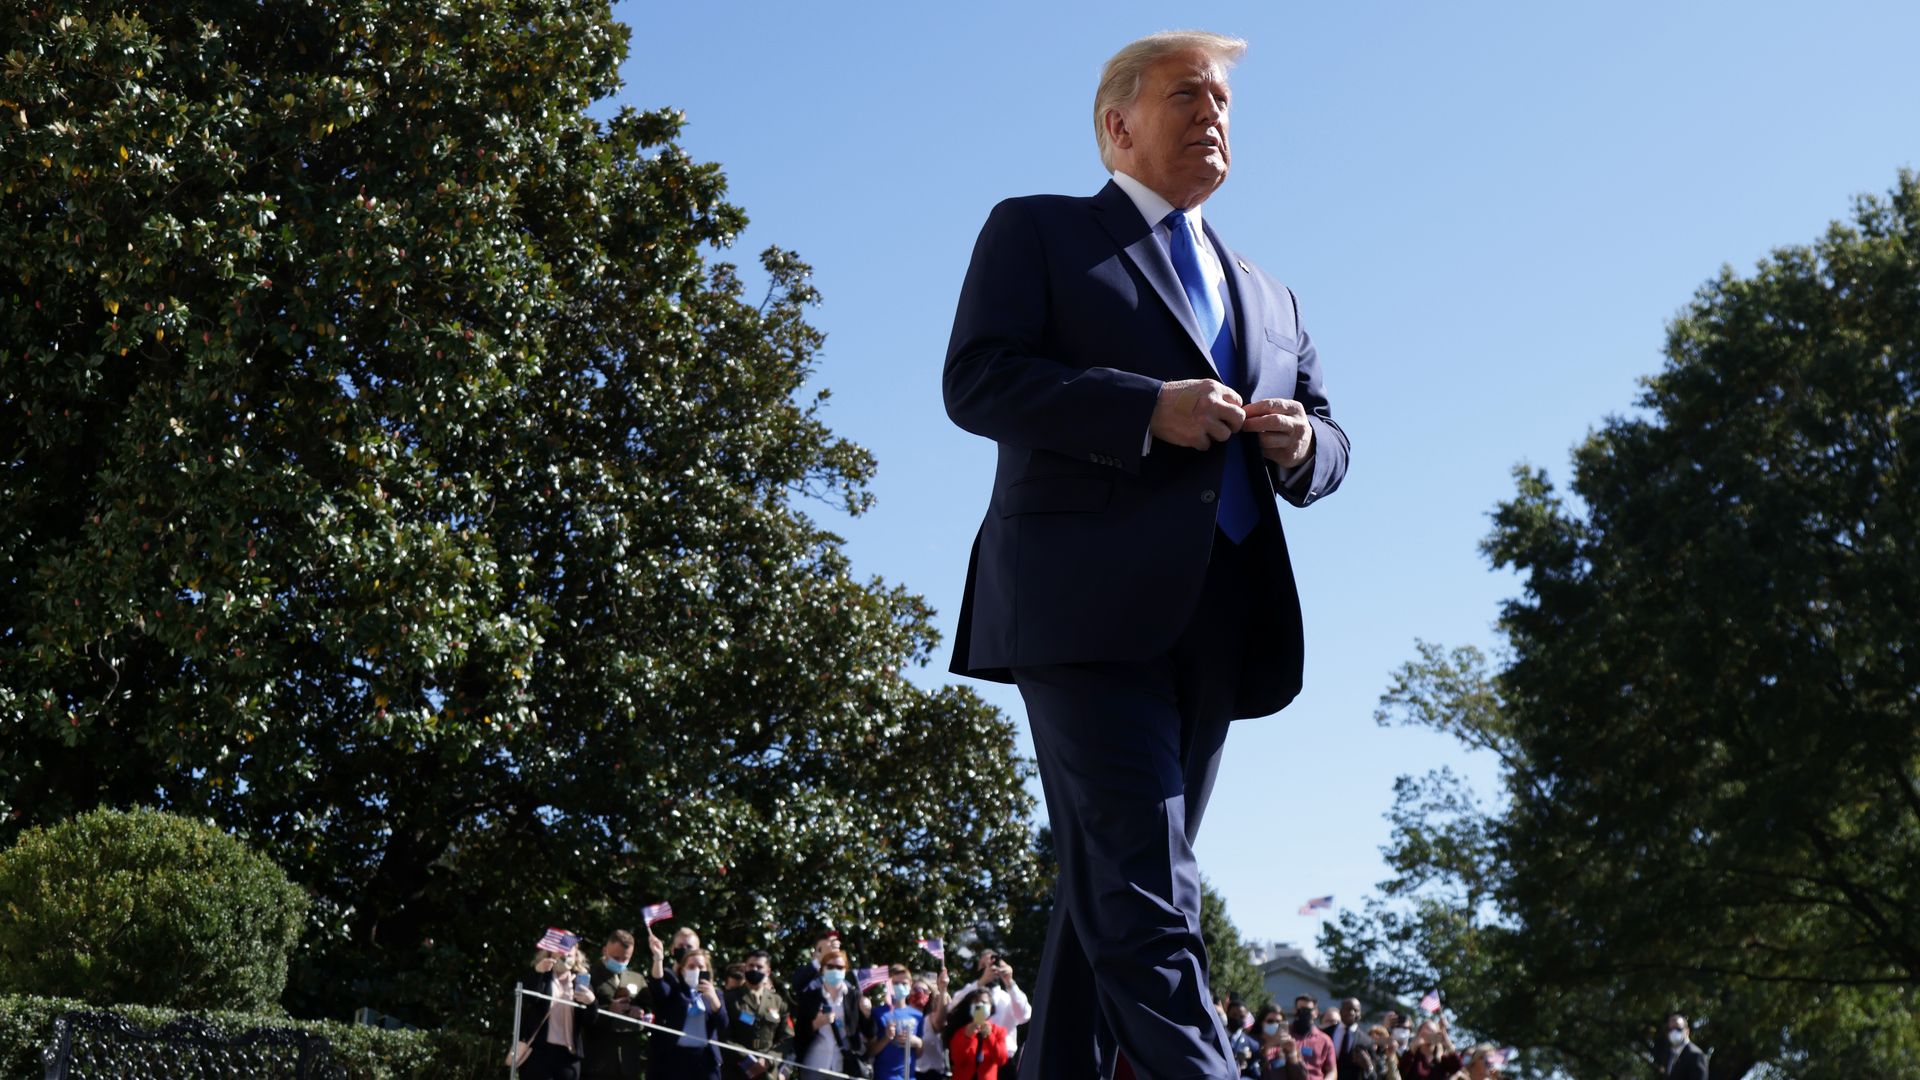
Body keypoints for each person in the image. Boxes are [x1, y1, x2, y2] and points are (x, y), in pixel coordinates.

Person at [942, 27, 1349, 1080]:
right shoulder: (1038, 231)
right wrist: (1142, 407)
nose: (1214, 114)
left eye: (1223, 101)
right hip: (1078, 608)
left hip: (1221, 618)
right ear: (1118, 126)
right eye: (1187, 95)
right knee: (1147, 886)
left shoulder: (1270, 294)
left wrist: (1304, 445)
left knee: (1110, 893)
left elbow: (1331, 435)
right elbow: (977, 380)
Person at [645, 934, 724, 1080]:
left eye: (700, 967)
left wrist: (713, 998)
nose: (696, 970)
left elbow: (723, 1025)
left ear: (707, 970)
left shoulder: (716, 994)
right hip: (674, 1061)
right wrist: (658, 959)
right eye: (691, 967)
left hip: (704, 1063)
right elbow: (659, 986)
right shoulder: (675, 988)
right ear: (682, 970)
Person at [512, 946, 598, 1080]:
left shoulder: (581, 982)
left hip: (568, 1056)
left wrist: (592, 1002)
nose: (565, 957)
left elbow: (590, 1020)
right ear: (550, 953)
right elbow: (528, 1000)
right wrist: (538, 973)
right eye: (561, 953)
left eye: (570, 954)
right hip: (539, 1052)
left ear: (576, 957)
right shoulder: (541, 975)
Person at [791, 947, 872, 1080]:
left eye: (839, 967)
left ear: (845, 970)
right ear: (822, 969)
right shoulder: (810, 997)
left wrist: (867, 1014)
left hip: (843, 1067)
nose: (835, 970)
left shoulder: (854, 997)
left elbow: (870, 1033)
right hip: (814, 1064)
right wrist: (815, 1024)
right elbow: (799, 1033)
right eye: (830, 966)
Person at [944, 951, 1032, 1063]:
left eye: (994, 964)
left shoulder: (1007, 997)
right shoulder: (969, 993)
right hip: (971, 1058)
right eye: (984, 966)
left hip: (1002, 1060)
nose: (989, 969)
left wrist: (1009, 982)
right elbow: (952, 1007)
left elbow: (1024, 1016)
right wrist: (981, 981)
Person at [587, 930, 647, 1080]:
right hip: (598, 1061)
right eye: (616, 958)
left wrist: (640, 1012)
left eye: (625, 959)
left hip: (628, 1062)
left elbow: (649, 1010)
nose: (620, 962)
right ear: (605, 951)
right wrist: (609, 1010)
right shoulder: (589, 975)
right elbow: (581, 1014)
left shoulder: (637, 979)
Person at [722, 949, 791, 1080]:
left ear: (768, 971)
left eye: (759, 967)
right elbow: (723, 1034)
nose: (754, 969)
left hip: (767, 1071)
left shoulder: (777, 1001)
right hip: (737, 1069)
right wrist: (747, 1059)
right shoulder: (730, 998)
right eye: (751, 966)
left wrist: (769, 1059)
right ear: (745, 968)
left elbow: (787, 1037)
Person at [868, 964, 926, 1080]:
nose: (900, 987)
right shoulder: (877, 1013)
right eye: (895, 983)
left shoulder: (918, 1016)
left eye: (904, 983)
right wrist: (887, 1037)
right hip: (883, 1076)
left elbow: (919, 1054)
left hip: (908, 1077)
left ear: (910, 985)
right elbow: (870, 1051)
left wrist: (918, 1043)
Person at [949, 994, 1011, 1080]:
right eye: (976, 1002)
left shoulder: (998, 1031)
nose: (980, 1005)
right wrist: (967, 1038)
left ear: (991, 1008)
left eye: (984, 1002)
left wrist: (989, 1037)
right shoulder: (962, 1031)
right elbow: (956, 1060)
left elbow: (1001, 1060)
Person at [909, 970, 950, 1080]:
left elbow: (940, 1021)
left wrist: (943, 989)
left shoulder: (930, 1019)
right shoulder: (902, 1018)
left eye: (924, 991)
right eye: (916, 989)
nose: (920, 993)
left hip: (931, 1075)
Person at [1288, 996, 1336, 1080]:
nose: (1304, 1013)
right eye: (1301, 1009)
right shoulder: (1284, 1035)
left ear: (1316, 1013)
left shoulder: (1325, 1040)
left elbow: (1332, 1071)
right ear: (1294, 1011)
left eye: (1308, 1010)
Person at [1323, 998, 1367, 1080]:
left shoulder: (1366, 1041)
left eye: (1356, 1010)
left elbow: (1373, 1074)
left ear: (1360, 1014)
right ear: (1340, 1011)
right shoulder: (1325, 1034)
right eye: (1348, 1009)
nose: (1352, 1012)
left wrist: (1368, 1066)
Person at [1658, 1014, 1707, 1080]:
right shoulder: (1667, 1055)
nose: (1673, 1032)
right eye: (1670, 1029)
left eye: (1678, 1028)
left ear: (1687, 1031)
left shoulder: (1696, 1055)